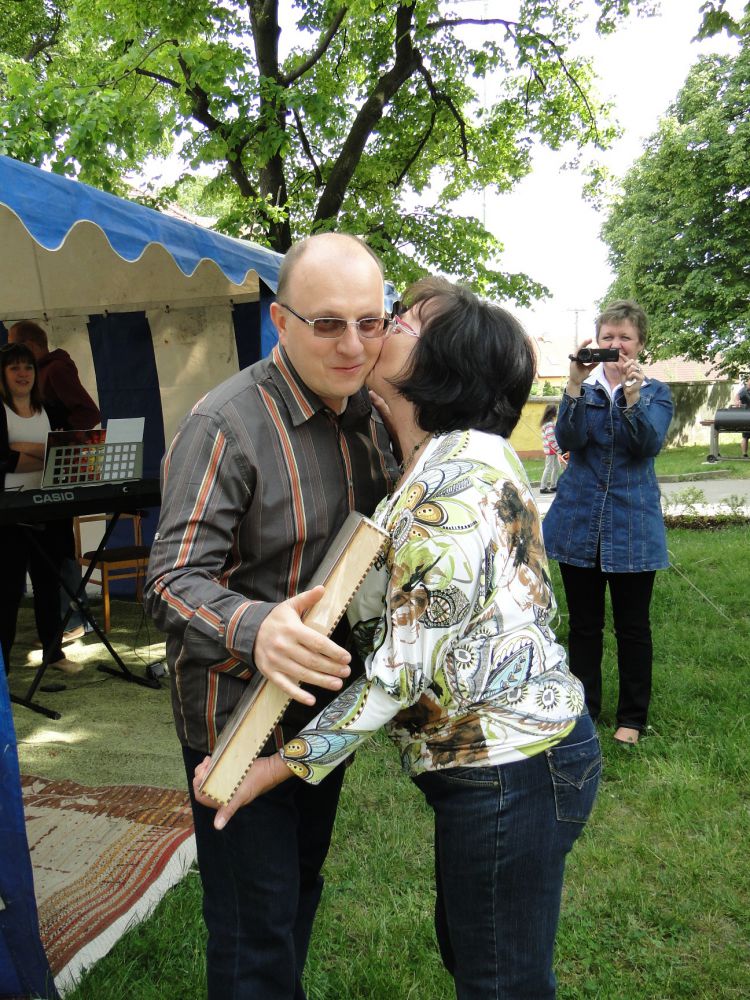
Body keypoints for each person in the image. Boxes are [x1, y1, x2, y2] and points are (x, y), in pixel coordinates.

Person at [194, 277, 601, 1000]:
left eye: (403, 321)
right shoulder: (436, 460)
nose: (381, 327)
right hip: (502, 762)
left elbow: (396, 678)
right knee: (477, 952)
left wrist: (273, 767)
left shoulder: (452, 489)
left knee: (499, 979)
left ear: (441, 367)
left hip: (512, 767)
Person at [144, 232, 399, 1000]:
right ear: (281, 321)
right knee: (252, 931)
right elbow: (169, 580)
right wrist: (258, 628)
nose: (353, 345)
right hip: (236, 719)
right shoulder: (225, 425)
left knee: (297, 892)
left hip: (322, 711)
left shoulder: (373, 416)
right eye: (328, 323)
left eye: (370, 321)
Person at [542, 300, 673, 746]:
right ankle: (584, 710)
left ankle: (632, 719)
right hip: (579, 521)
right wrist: (574, 384)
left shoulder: (656, 393)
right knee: (584, 626)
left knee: (633, 628)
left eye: (625, 337)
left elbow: (646, 445)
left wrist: (632, 398)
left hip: (633, 525)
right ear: (596, 342)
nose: (616, 345)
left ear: (640, 344)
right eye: (608, 337)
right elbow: (568, 439)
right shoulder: (585, 387)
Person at [8, 321, 101, 641]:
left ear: (31, 346)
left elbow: (88, 413)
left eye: (19, 353)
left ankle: (73, 619)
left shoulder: (55, 370)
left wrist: (61, 440)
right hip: (36, 477)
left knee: (57, 551)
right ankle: (63, 621)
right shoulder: (43, 374)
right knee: (46, 554)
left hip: (55, 474)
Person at [0, 343, 80, 676]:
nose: (23, 374)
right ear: (3, 374)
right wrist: (45, 453)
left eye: (28, 367)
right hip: (8, 516)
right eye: (14, 368)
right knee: (8, 591)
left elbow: (67, 454)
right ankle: (3, 664)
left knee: (48, 584)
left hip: (50, 511)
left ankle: (53, 652)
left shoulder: (50, 409)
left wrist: (22, 449)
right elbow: (4, 461)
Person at [539, 402, 563, 493]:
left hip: (553, 449)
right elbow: (551, 439)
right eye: (556, 411)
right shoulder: (549, 424)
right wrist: (559, 450)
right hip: (551, 450)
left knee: (557, 467)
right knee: (548, 468)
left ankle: (553, 485)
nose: (557, 413)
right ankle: (543, 487)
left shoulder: (549, 423)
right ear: (552, 413)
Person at [730, 377, 750, 458]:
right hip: (746, 417)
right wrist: (737, 402)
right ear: (748, 382)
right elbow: (736, 397)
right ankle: (744, 454)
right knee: (745, 436)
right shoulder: (744, 390)